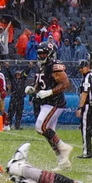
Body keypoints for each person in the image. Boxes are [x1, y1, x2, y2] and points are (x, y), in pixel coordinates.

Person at [28, 41, 73, 170]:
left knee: (40, 127)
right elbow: (41, 83)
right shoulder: (41, 66)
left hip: (55, 102)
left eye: (44, 54)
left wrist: (49, 92)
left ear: (50, 54)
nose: (41, 56)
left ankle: (64, 147)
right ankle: (63, 161)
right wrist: (33, 89)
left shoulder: (54, 66)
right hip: (45, 103)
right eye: (39, 53)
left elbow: (65, 84)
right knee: (49, 134)